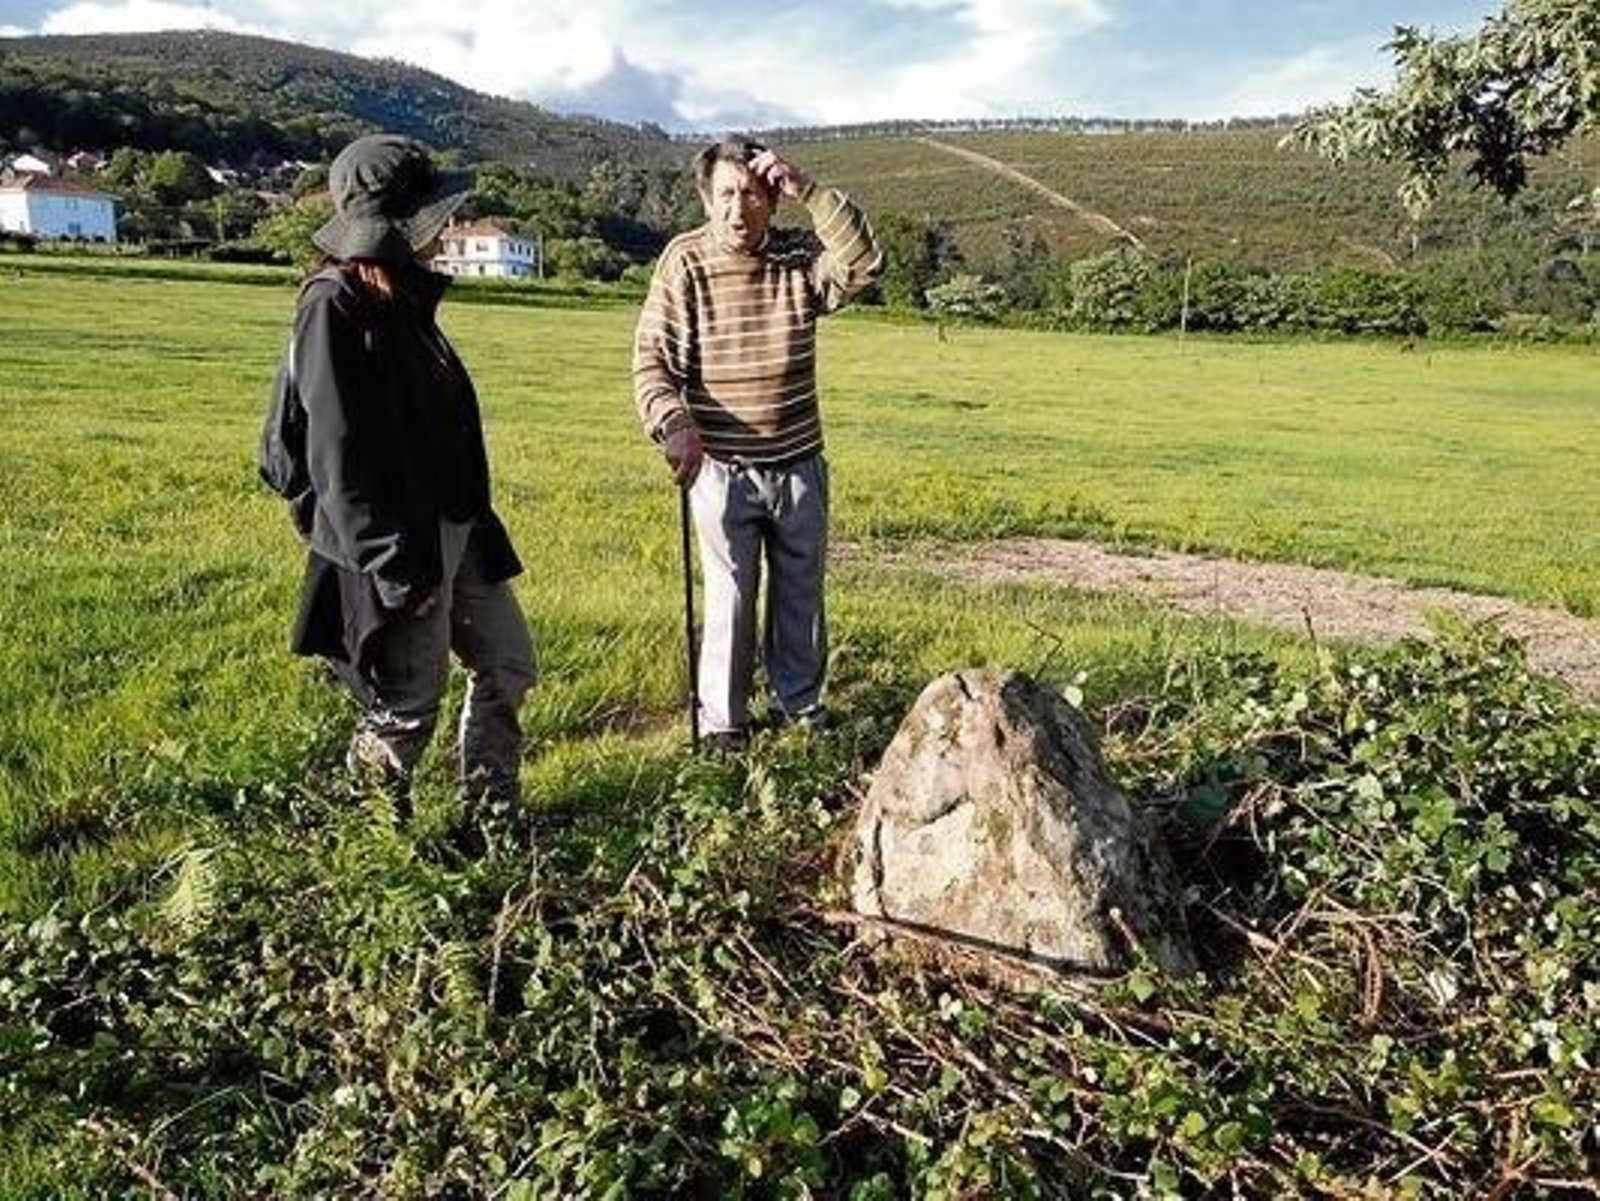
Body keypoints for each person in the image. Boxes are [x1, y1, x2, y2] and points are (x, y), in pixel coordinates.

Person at [285, 133, 536, 817]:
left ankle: (490, 814)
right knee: (407, 707)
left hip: (456, 525)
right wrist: (393, 565)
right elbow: (335, 458)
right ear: (393, 225)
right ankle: (369, 838)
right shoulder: (334, 305)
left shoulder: (403, 298)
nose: (446, 227)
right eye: (432, 215)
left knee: (509, 663)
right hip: (399, 545)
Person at [632, 139, 883, 751]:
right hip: (720, 467)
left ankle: (799, 705)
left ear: (771, 198)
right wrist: (674, 424)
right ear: (704, 197)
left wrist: (812, 191)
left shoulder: (799, 257)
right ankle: (723, 724)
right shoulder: (684, 262)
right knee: (731, 597)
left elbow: (864, 264)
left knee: (802, 593)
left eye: (751, 193)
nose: (737, 209)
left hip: (798, 460)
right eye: (724, 194)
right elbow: (651, 362)